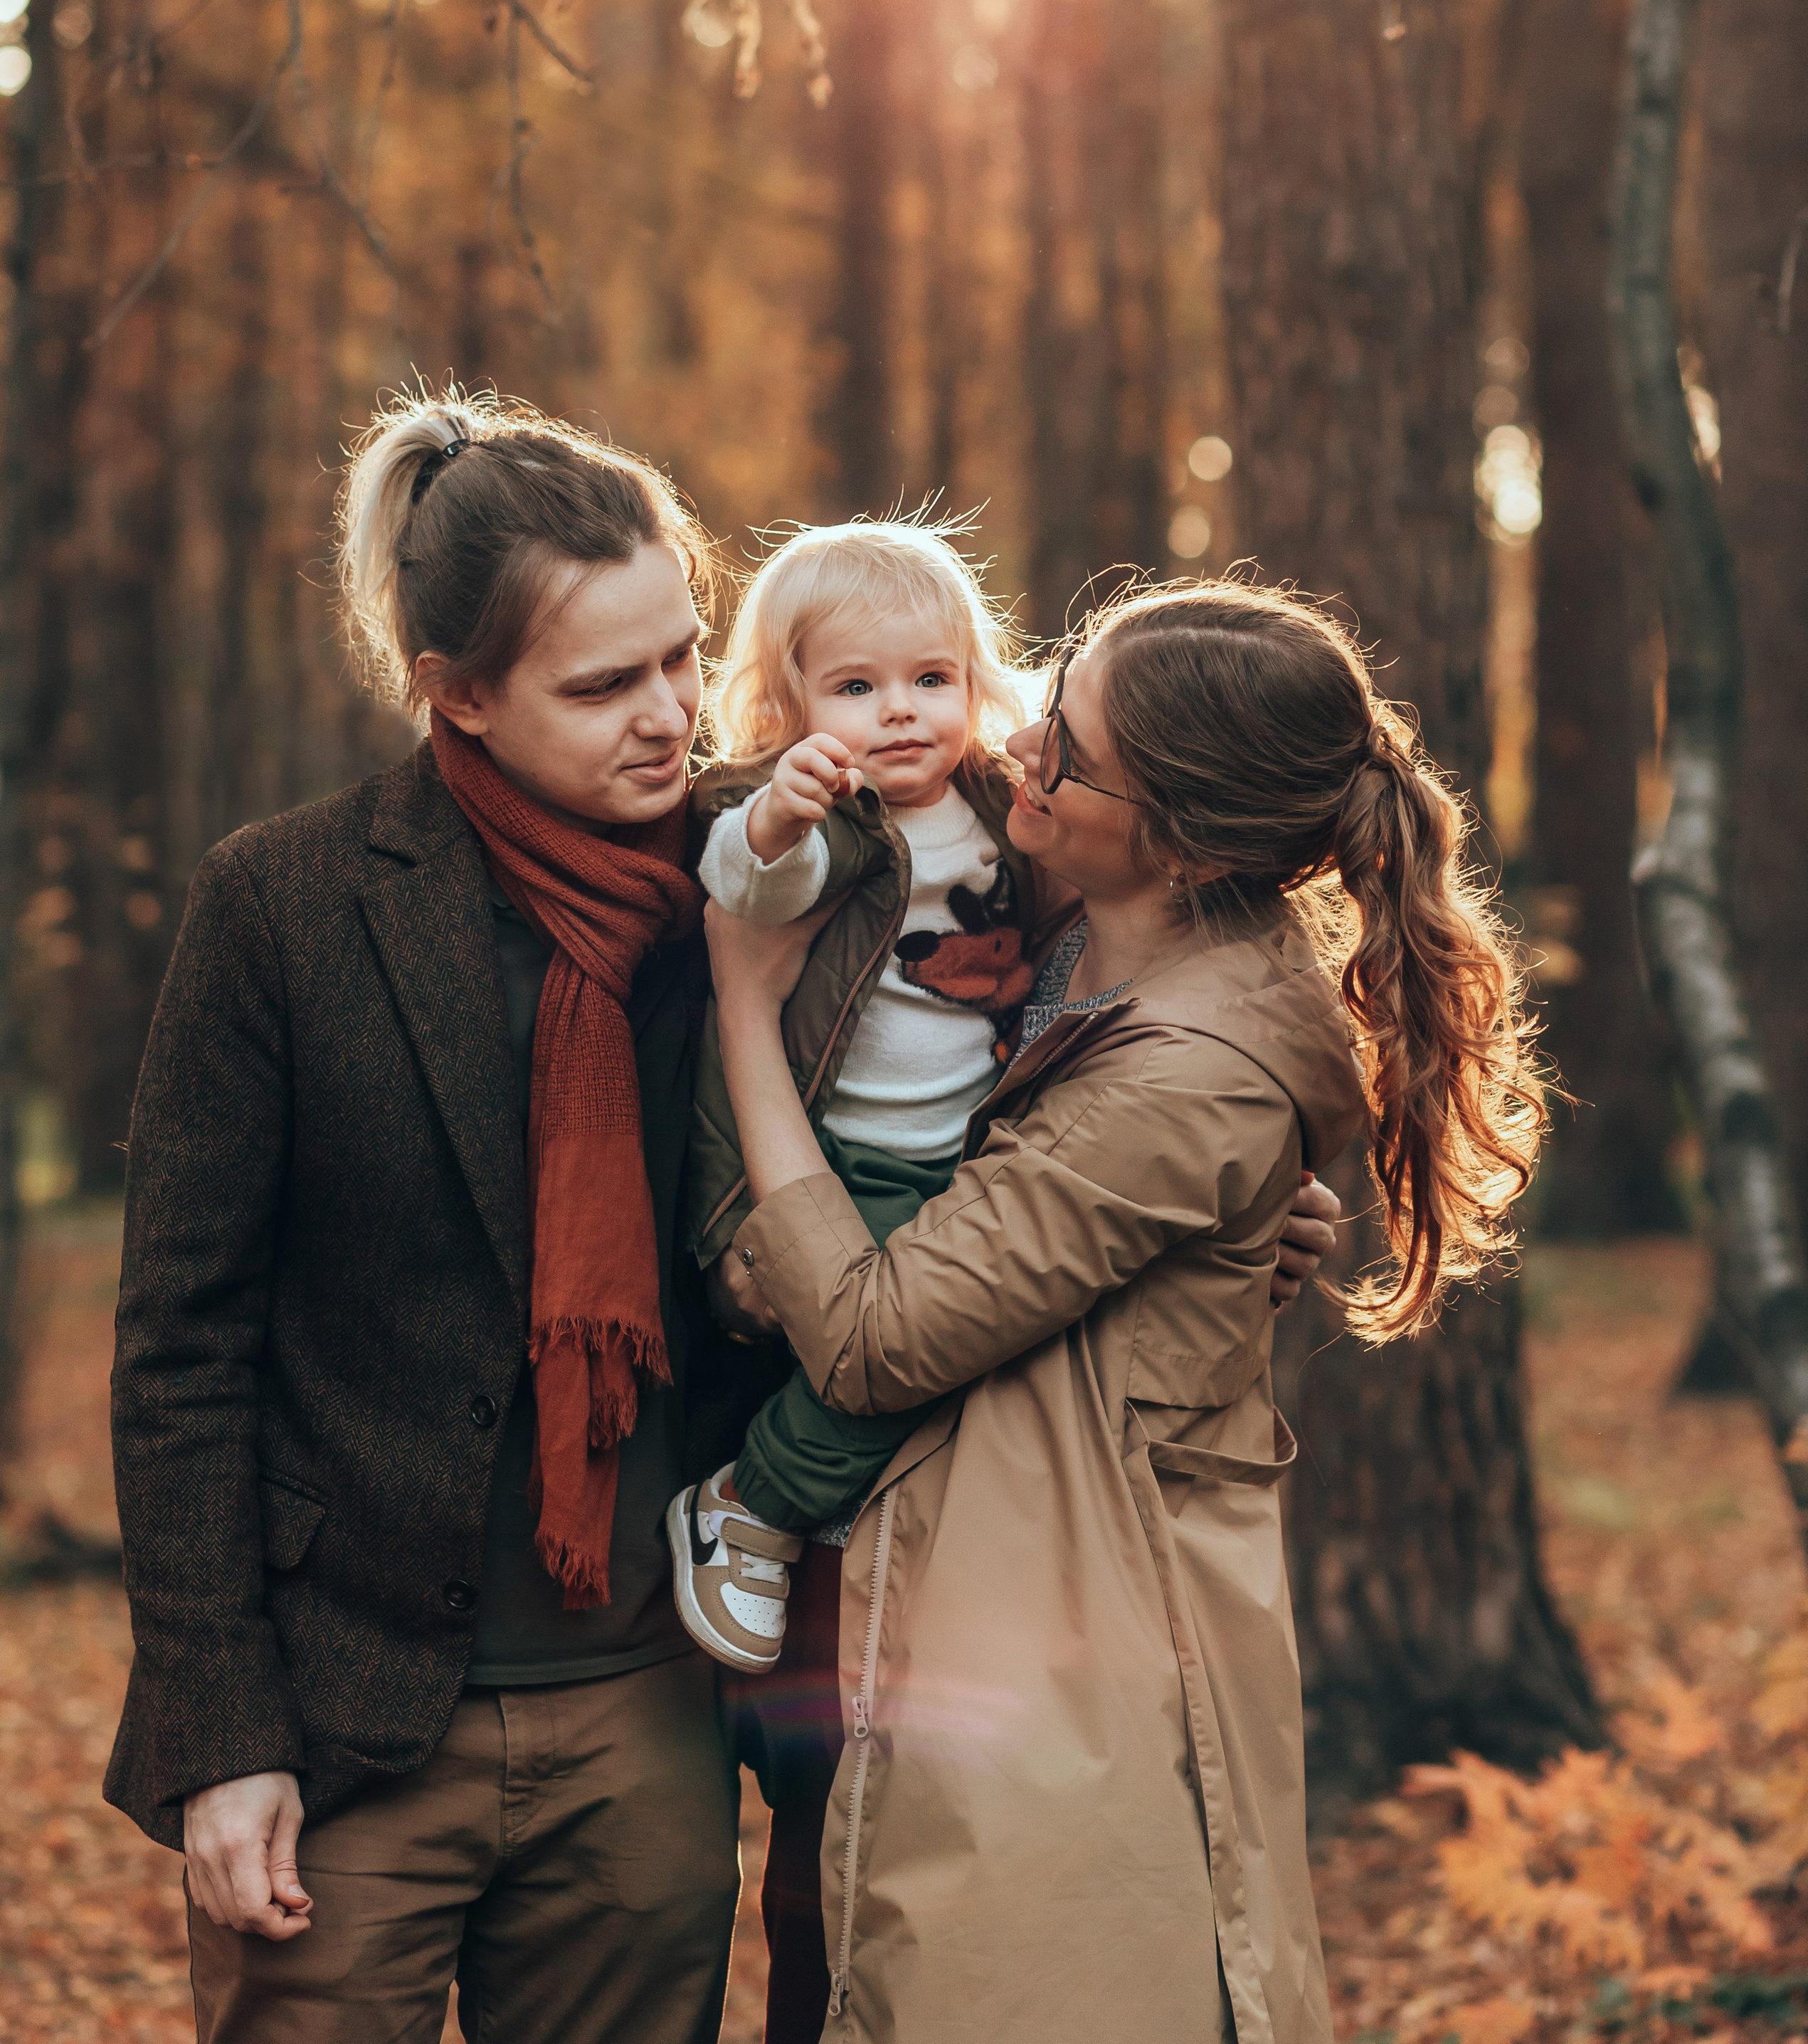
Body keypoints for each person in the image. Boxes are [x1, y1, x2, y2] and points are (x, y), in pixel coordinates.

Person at [707, 580, 1548, 2044]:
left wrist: (740, 1002)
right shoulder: (1090, 918)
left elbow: (867, 1337)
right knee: (828, 1936)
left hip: (1038, 1627)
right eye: (1048, 708)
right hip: (933, 1566)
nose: (1019, 755)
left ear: (1177, 834)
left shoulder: (1186, 1066)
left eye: (1064, 755)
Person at [105, 394, 752, 2044]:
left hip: (649, 1712)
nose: (671, 715)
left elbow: (1030, 980)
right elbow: (183, 1347)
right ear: (453, 696)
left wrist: (1258, 1179)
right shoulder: (284, 904)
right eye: (605, 684)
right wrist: (220, 1734)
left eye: (684, 655)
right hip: (344, 1724)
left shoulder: (777, 875)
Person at [668, 518, 1059, 1677]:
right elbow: (745, 881)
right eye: (856, 686)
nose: (900, 712)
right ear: (790, 707)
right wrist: (782, 811)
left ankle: (791, 1506)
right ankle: (752, 1505)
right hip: (843, 1164)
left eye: (930, 679)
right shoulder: (822, 815)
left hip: (967, 1155)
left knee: (974, 1345)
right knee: (910, 1347)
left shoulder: (997, 807)